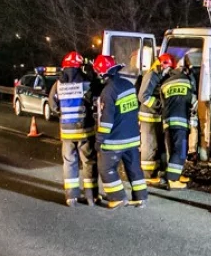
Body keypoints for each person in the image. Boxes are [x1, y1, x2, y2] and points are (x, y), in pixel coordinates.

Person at [92, 55, 147, 208]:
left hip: (115, 140)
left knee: (106, 168)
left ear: (102, 73)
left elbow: (107, 121)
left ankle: (117, 198)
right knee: (134, 167)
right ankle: (141, 197)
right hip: (133, 137)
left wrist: (99, 140)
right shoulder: (128, 85)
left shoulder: (108, 91)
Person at [48, 51, 97, 207]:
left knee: (69, 162)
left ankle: (71, 197)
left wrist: (62, 113)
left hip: (67, 132)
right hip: (85, 130)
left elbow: (53, 105)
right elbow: (94, 101)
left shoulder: (58, 84)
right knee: (88, 162)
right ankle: (91, 196)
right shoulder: (86, 83)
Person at [159, 54, 196, 190]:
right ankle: (172, 179)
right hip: (180, 121)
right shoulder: (186, 80)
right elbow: (194, 93)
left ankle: (172, 175)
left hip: (167, 121)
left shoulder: (165, 83)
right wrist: (191, 70)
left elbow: (162, 103)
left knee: (172, 150)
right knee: (180, 151)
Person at [138, 55, 173, 184]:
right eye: (168, 67)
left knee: (158, 145)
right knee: (150, 145)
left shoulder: (159, 75)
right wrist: (159, 104)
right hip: (148, 116)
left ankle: (157, 171)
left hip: (156, 116)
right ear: (163, 64)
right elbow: (143, 96)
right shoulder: (152, 75)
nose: (168, 71)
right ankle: (148, 175)